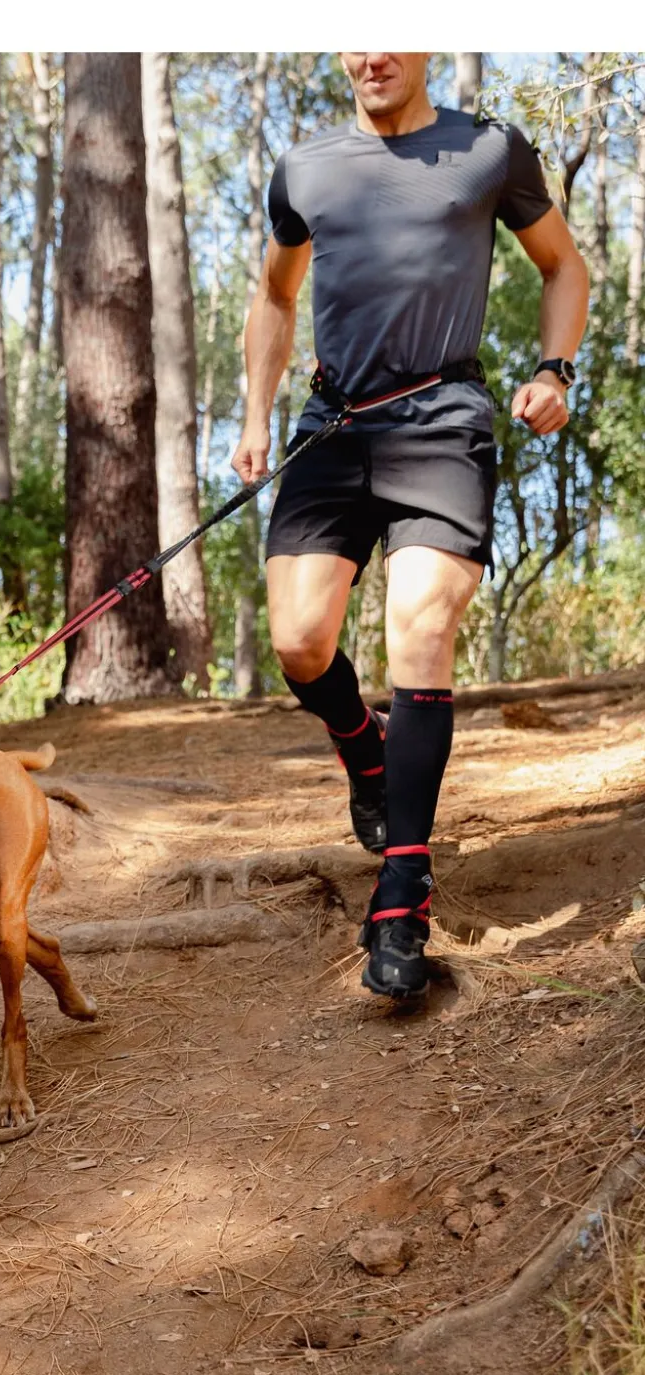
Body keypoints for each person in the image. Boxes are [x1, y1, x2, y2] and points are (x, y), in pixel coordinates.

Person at [232, 53, 589, 999]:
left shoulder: (488, 150)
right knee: (300, 644)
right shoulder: (306, 168)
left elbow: (564, 266)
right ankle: (367, 750)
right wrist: (257, 416)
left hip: (443, 421)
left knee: (420, 627)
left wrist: (555, 369)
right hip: (332, 427)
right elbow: (275, 296)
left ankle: (404, 885)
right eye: (354, 36)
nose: (371, 54)